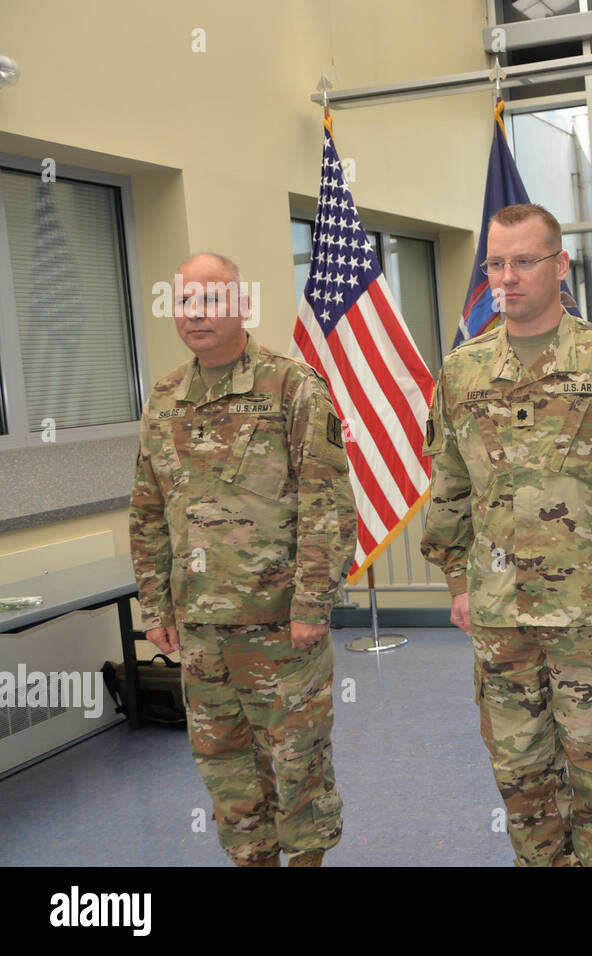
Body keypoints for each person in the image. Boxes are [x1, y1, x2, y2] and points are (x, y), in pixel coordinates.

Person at [420, 203, 592, 867]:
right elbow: (451, 486)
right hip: (500, 620)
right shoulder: (462, 372)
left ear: (559, 265)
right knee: (523, 788)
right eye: (496, 263)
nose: (507, 277)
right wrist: (458, 582)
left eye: (524, 261)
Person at [129, 252, 356, 867]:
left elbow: (327, 501)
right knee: (225, 767)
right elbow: (149, 508)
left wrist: (312, 603)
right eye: (184, 301)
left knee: (298, 764)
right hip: (201, 629)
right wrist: (155, 605)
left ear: (241, 305)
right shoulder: (166, 395)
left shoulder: (292, 386)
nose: (193, 314)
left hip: (280, 625)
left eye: (209, 299)